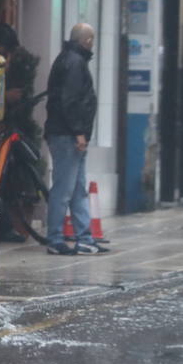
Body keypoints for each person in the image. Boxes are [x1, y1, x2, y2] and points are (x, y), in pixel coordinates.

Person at [43, 22, 110, 256]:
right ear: (87, 41)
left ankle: (85, 239)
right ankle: (55, 239)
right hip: (67, 135)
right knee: (63, 189)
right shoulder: (74, 62)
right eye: (92, 39)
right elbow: (70, 101)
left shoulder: (70, 59)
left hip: (69, 134)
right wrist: (79, 132)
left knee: (78, 188)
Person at [0, 22, 41, 242]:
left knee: (5, 180)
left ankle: (6, 225)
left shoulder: (16, 68)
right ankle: (0, 224)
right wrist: (5, 98)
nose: (7, 59)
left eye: (9, 55)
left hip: (3, 130)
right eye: (3, 53)